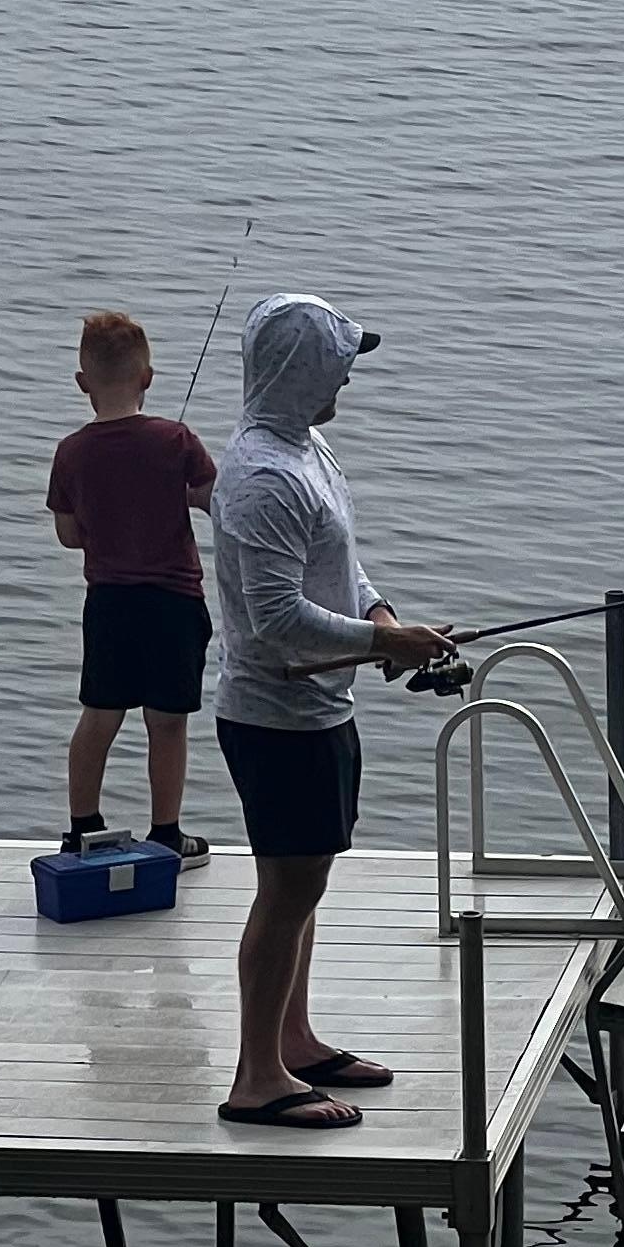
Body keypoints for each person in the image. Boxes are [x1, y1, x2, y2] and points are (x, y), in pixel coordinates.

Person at [208, 292, 452, 1130]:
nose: (350, 372)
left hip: (318, 708)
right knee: (286, 887)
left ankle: (295, 1040)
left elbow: (342, 568)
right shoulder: (264, 478)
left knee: (306, 880)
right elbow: (276, 621)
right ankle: (256, 1078)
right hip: (273, 715)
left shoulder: (308, 451)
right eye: (342, 359)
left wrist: (383, 622)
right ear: (303, 370)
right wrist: (388, 647)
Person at [45, 308, 219, 863]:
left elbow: (69, 535)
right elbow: (216, 499)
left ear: (81, 384)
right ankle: (167, 832)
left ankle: (81, 829)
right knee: (167, 723)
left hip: (110, 604)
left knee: (99, 715)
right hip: (173, 602)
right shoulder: (177, 439)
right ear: (148, 377)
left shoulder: (71, 452)